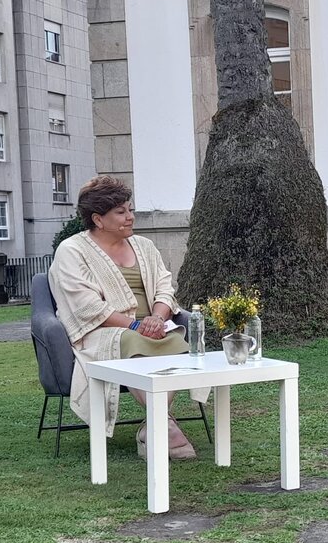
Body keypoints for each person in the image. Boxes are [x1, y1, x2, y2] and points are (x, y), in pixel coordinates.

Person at [48, 176, 208, 460]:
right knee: (133, 341)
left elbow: (164, 286)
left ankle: (154, 427)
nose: (130, 217)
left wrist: (157, 319)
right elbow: (86, 306)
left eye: (130, 210)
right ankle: (165, 426)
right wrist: (135, 325)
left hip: (157, 328)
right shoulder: (72, 251)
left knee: (174, 344)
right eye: (121, 212)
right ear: (98, 219)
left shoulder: (144, 246)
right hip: (103, 331)